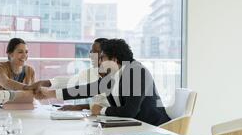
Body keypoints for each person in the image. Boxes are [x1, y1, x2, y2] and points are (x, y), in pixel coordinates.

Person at [35, 39, 171, 126]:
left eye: (103, 58)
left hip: (154, 128)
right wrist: (51, 93)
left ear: (115, 59)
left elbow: (130, 111)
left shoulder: (136, 71)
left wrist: (101, 109)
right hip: (135, 126)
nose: (99, 62)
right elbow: (86, 89)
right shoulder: (116, 73)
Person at [28, 38, 110, 111]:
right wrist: (43, 83)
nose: (92, 56)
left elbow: (104, 104)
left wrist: (79, 107)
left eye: (97, 52)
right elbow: (70, 81)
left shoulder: (114, 75)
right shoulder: (91, 72)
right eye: (91, 52)